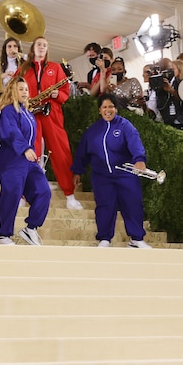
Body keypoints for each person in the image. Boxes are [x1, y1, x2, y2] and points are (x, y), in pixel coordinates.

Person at [71, 93, 152, 249]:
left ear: (116, 109)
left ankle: (136, 239)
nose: (108, 110)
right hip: (101, 176)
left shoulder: (125, 126)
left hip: (125, 174)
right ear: (100, 110)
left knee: (133, 204)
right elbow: (82, 153)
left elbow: (135, 143)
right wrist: (77, 171)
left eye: (111, 107)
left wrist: (140, 159)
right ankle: (105, 238)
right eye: (104, 107)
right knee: (104, 206)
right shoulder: (93, 131)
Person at [20, 36, 83, 209]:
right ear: (33, 48)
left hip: (51, 112)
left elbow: (65, 93)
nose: (42, 47)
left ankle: (69, 195)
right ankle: (24, 194)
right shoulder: (24, 69)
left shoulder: (55, 68)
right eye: (39, 44)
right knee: (30, 152)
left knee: (61, 151)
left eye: (45, 45)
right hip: (31, 113)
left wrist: (58, 95)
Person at [0, 77, 52, 245]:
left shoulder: (28, 113)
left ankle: (31, 228)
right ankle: (4, 235)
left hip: (29, 162)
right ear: (13, 91)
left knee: (43, 191)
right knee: (11, 194)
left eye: (26, 89)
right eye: (21, 89)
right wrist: (24, 148)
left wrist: (31, 153)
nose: (25, 92)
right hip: (12, 160)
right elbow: (10, 132)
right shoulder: (8, 111)